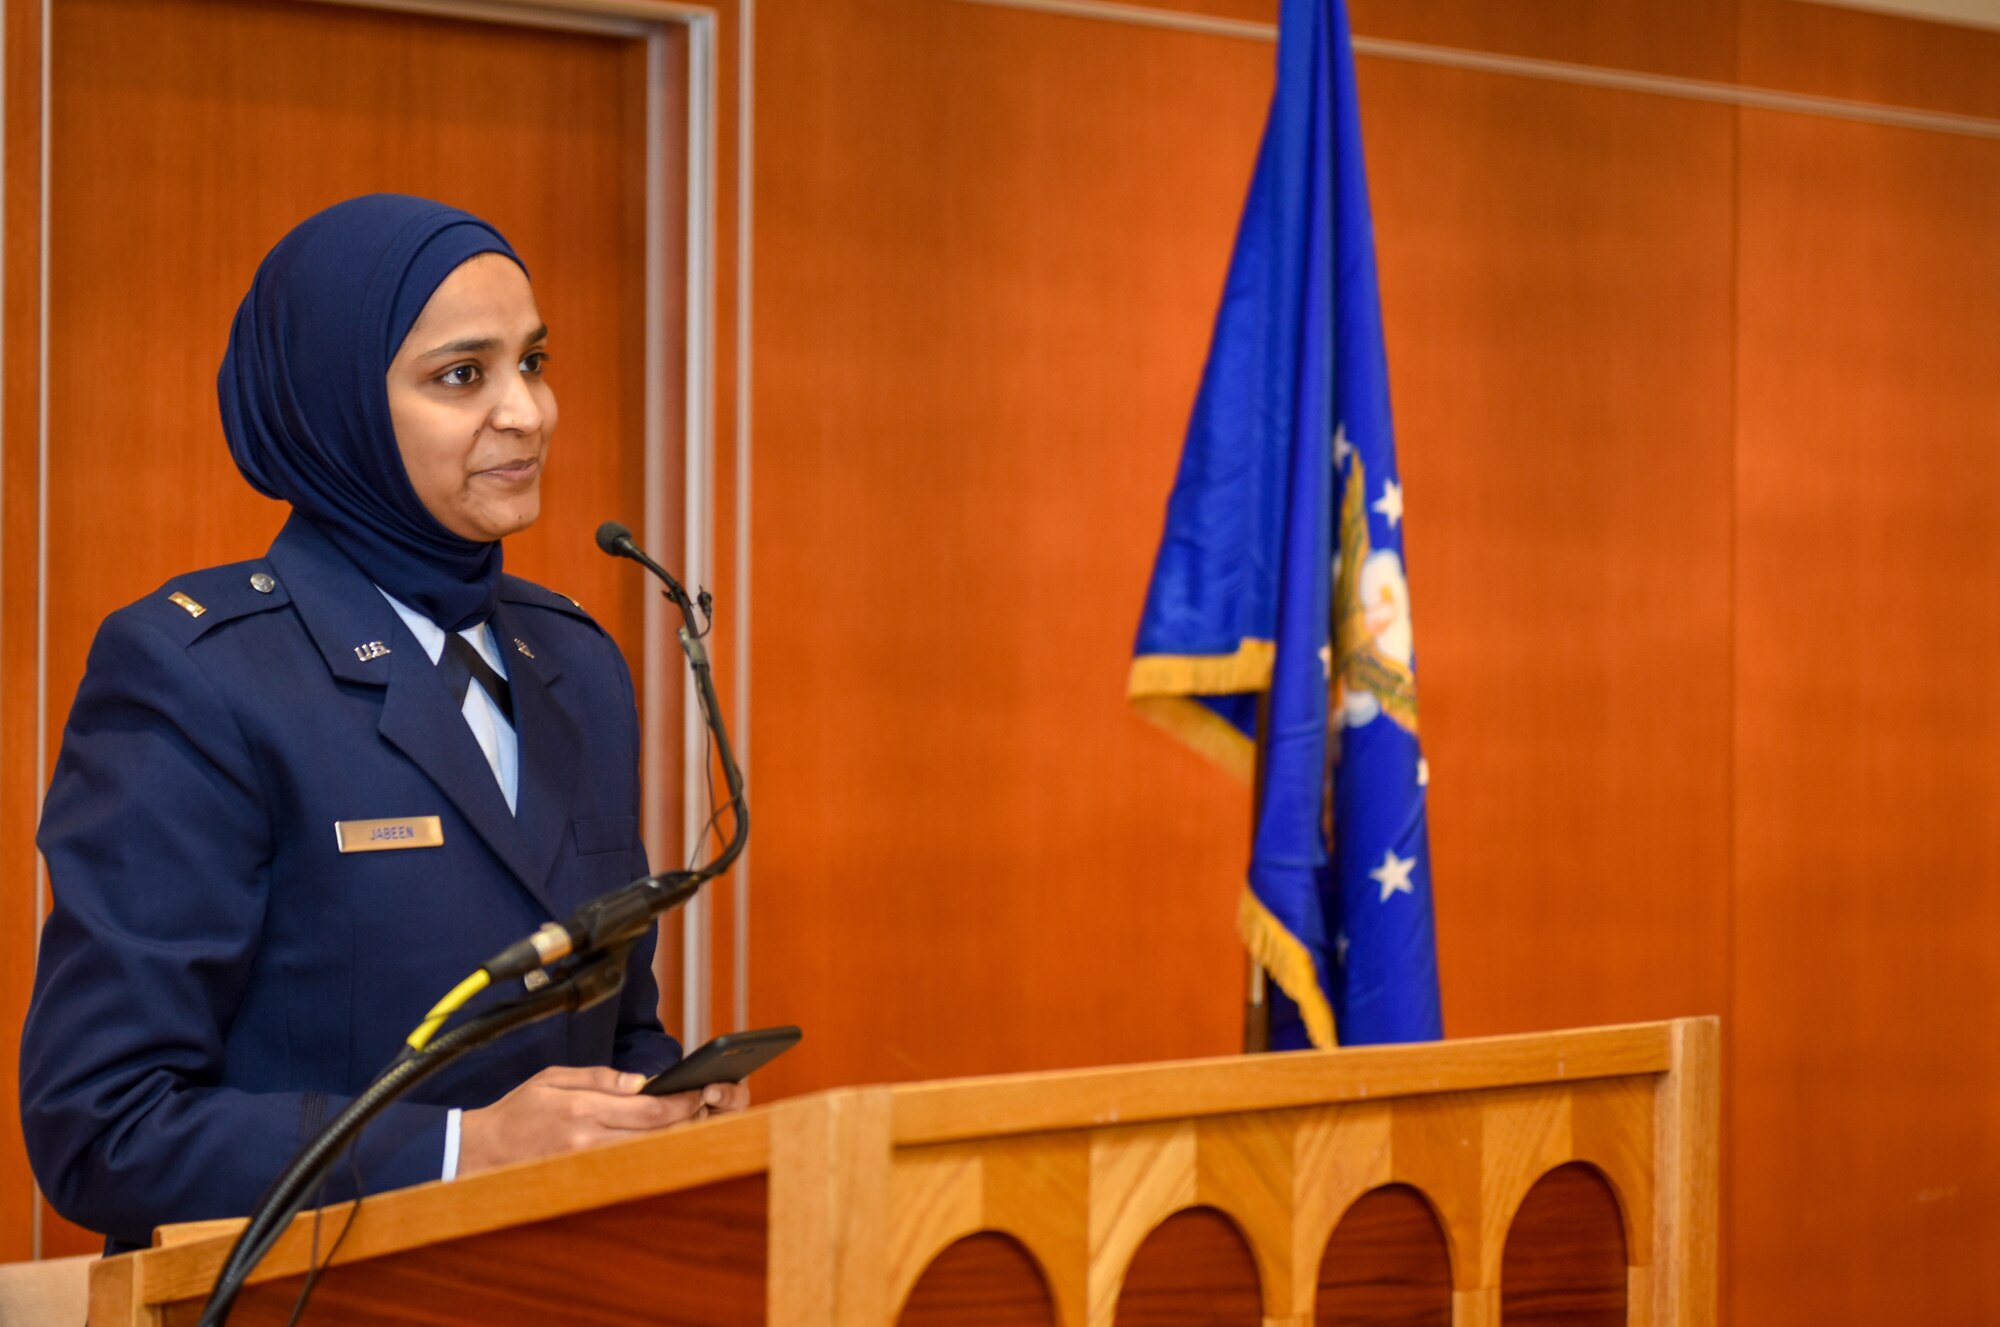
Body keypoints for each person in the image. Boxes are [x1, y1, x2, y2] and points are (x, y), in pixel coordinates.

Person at [18, 195, 745, 1254]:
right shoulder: (196, 675)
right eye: (463, 375)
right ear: (336, 405)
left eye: (532, 362)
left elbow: (617, 1023)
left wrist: (656, 1109)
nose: (528, 413)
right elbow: (104, 1130)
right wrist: (462, 1151)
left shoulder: (576, 663)